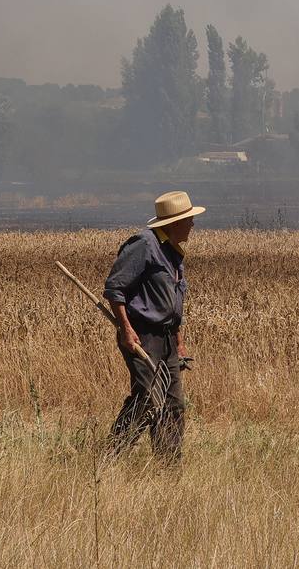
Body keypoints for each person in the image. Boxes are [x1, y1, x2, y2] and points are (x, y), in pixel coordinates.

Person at [103, 190, 204, 462]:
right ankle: (112, 455)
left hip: (168, 338)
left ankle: (167, 466)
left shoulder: (173, 252)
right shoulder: (143, 245)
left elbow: (174, 303)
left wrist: (179, 342)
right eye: (188, 220)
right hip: (142, 335)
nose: (193, 225)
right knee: (148, 396)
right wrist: (126, 329)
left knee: (173, 404)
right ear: (173, 223)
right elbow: (115, 289)